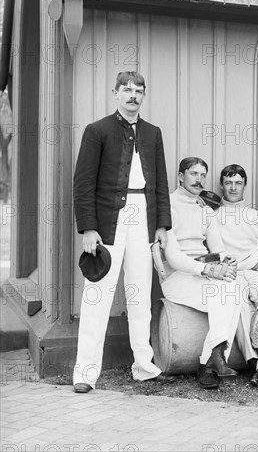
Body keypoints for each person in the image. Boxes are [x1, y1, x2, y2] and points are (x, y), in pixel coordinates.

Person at [72, 71, 171, 393]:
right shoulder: (97, 131)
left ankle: (143, 365)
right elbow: (83, 183)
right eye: (126, 90)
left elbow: (161, 184)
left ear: (144, 96)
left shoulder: (153, 134)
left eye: (138, 90)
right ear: (115, 93)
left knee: (140, 295)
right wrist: (89, 228)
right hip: (108, 223)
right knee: (97, 297)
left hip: (144, 217)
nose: (133, 95)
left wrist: (161, 224)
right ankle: (85, 373)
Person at [160, 157, 243, 390]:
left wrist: (228, 260)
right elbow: (174, 258)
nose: (199, 180)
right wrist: (207, 269)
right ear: (180, 176)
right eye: (194, 174)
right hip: (176, 277)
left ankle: (212, 359)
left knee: (233, 287)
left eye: (203, 175)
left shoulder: (206, 210)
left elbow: (218, 248)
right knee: (220, 291)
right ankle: (211, 360)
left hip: (202, 274)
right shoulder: (167, 206)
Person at [215, 164, 258, 393]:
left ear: (244, 185)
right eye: (229, 182)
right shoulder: (213, 215)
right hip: (231, 272)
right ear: (222, 185)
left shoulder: (255, 215)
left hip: (256, 270)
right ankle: (254, 363)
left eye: (238, 183)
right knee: (238, 305)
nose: (233, 188)